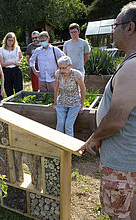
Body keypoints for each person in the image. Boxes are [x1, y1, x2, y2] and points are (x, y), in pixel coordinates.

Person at [78, 2, 136, 219]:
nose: (112, 31)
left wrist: (94, 138)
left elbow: (116, 119)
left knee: (118, 215)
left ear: (130, 28)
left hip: (123, 165)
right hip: (129, 160)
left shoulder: (132, 67)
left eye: (116, 25)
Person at [54, 56, 86, 137]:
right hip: (62, 102)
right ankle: (58, 145)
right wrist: (55, 103)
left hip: (74, 103)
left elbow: (83, 89)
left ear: (70, 66)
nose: (62, 70)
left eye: (64, 68)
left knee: (68, 125)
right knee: (60, 125)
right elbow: (56, 88)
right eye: (60, 68)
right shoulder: (58, 74)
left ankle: (70, 146)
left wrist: (82, 105)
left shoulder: (76, 74)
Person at [0, 32, 23, 97]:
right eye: (9, 40)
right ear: (6, 40)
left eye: (12, 40)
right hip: (6, 71)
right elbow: (2, 63)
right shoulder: (1, 50)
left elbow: (21, 57)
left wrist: (19, 62)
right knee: (8, 89)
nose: (10, 42)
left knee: (19, 89)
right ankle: (11, 104)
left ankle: (19, 103)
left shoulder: (17, 48)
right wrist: (13, 62)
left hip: (16, 70)